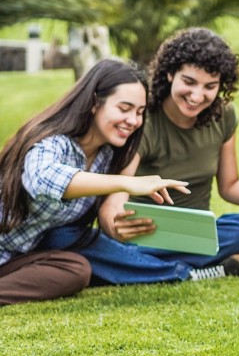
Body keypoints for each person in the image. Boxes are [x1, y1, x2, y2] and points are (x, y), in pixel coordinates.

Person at [67, 30, 239, 284]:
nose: (197, 96)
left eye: (210, 87)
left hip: (194, 237)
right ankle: (189, 272)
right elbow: (114, 199)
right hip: (143, 237)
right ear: (170, 74)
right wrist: (115, 226)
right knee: (77, 242)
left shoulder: (224, 116)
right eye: (189, 82)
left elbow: (230, 185)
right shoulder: (144, 119)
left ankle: (139, 270)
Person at [1, 61, 192, 305]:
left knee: (77, 269)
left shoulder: (108, 156)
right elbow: (42, 179)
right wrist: (125, 183)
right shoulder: (52, 141)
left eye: (139, 112)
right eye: (124, 108)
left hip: (19, 258)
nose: (133, 120)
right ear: (94, 103)